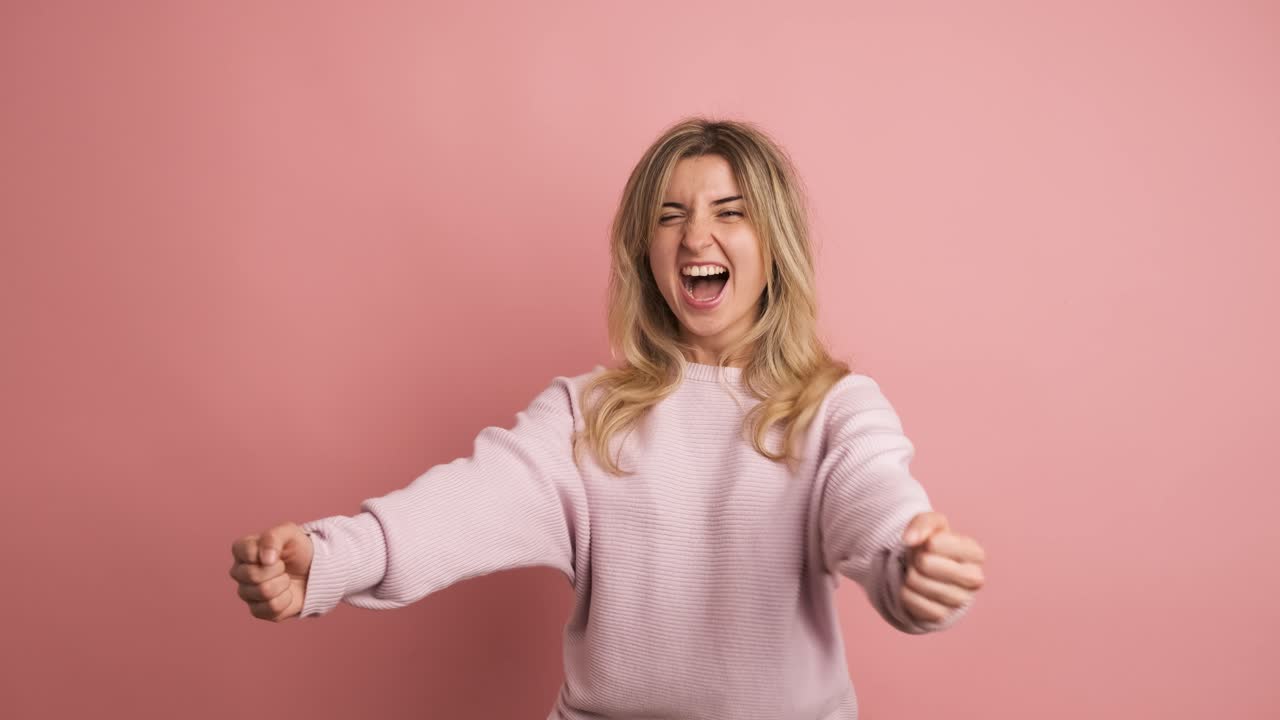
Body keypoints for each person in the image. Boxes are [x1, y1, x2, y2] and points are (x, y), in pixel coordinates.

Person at [228, 117, 987, 719]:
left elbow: (875, 503)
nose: (695, 236)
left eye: (730, 213)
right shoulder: (588, 412)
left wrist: (911, 566)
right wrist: (327, 560)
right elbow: (463, 505)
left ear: (775, 245)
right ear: (646, 252)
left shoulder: (835, 408)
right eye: (669, 216)